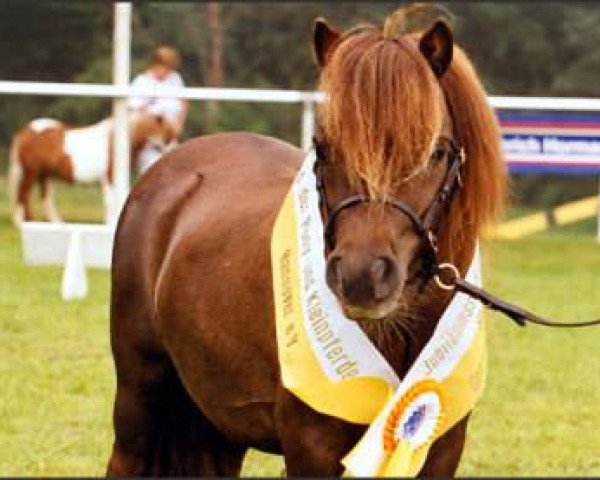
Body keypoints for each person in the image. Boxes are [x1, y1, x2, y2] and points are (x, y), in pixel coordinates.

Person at [128, 45, 188, 173]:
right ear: (155, 64)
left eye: (169, 67)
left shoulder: (175, 79)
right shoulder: (142, 82)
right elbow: (135, 110)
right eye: (164, 66)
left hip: (171, 136)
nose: (166, 71)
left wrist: (179, 125)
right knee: (152, 171)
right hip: (151, 140)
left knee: (175, 171)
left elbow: (184, 103)